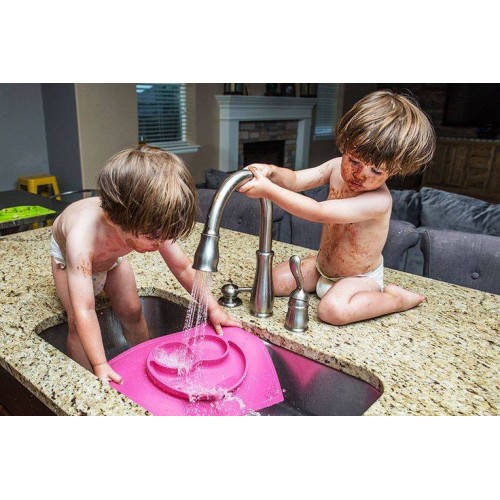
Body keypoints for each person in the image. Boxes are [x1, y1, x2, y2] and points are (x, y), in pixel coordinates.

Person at [239, 89, 435, 326]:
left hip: (358, 279)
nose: (360, 174)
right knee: (268, 282)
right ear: (345, 145)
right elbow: (295, 179)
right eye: (354, 161)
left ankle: (396, 299)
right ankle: (317, 270)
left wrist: (268, 191)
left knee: (332, 310)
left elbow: (319, 212)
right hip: (323, 267)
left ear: (394, 170)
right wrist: (271, 171)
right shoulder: (334, 167)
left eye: (376, 170)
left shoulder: (378, 201)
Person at [50, 145, 241, 384]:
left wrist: (212, 308)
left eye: (166, 234)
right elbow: (85, 310)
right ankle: (88, 380)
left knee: (132, 311)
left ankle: (144, 363)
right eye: (153, 236)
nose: (160, 242)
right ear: (113, 219)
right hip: (69, 263)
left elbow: (182, 267)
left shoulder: (152, 221)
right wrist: (100, 364)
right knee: (76, 324)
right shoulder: (82, 238)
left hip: (113, 258)